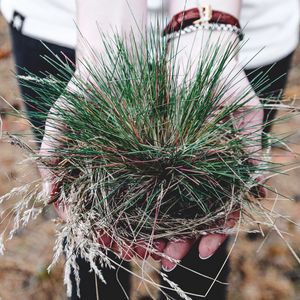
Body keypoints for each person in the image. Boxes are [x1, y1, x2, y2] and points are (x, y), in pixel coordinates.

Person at [1, 0, 299, 299]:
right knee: (89, 230)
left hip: (242, 28)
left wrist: (204, 31)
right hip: (69, 21)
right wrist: (106, 51)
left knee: (204, 226)